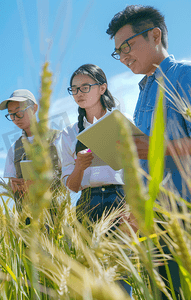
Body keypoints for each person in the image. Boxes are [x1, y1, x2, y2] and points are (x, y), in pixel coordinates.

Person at [106, 5, 191, 299]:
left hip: (185, 214)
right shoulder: (144, 89)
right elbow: (146, 157)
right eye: (117, 52)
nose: (123, 57)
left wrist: (154, 147)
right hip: (150, 218)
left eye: (127, 46)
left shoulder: (187, 74)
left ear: (155, 34)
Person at [58, 64, 132, 296]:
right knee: (89, 275)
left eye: (85, 87)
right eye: (74, 89)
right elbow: (71, 186)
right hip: (86, 204)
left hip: (120, 201)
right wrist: (79, 166)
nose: (79, 93)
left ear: (102, 88)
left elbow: (140, 169)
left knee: (120, 274)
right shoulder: (69, 133)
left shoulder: (121, 122)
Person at [0, 89, 62, 218]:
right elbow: (10, 183)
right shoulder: (13, 148)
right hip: (27, 217)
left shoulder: (57, 137)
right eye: (11, 115)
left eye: (19, 112)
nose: (15, 119)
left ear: (34, 108)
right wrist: (16, 186)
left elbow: (71, 176)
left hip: (56, 215)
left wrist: (40, 185)